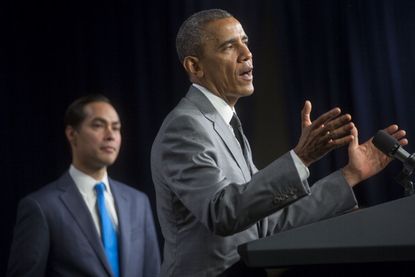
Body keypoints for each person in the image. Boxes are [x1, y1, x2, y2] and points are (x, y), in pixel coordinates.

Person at [150, 9, 408, 277]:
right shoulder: (185, 126)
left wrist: (349, 175)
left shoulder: (224, 124)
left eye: (245, 42)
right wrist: (301, 158)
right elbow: (222, 213)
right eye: (229, 46)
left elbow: (266, 224)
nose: (246, 53)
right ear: (195, 66)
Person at [7, 95, 160, 277]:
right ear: (72, 134)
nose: (110, 135)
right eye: (98, 125)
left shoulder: (138, 202)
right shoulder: (41, 207)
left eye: (116, 128)